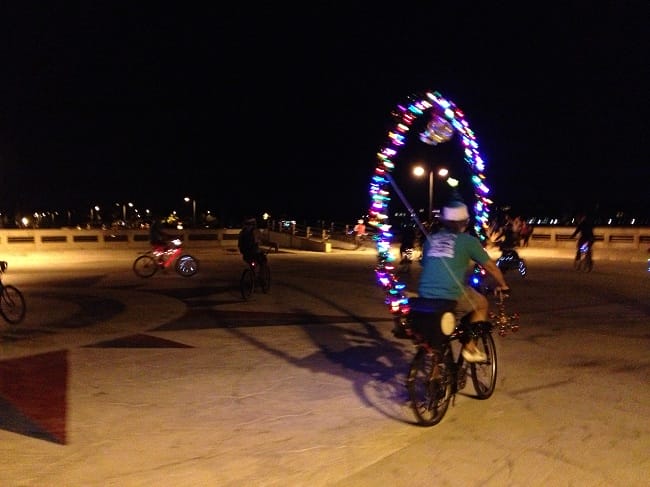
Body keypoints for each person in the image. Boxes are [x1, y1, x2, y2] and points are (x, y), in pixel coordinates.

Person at [417, 200, 510, 362]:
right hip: (451, 295)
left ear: (444, 221)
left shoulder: (430, 240)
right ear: (465, 222)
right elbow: (491, 267)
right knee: (481, 304)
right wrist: (503, 285)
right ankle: (470, 348)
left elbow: (425, 264)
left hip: (424, 295)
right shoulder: (468, 241)